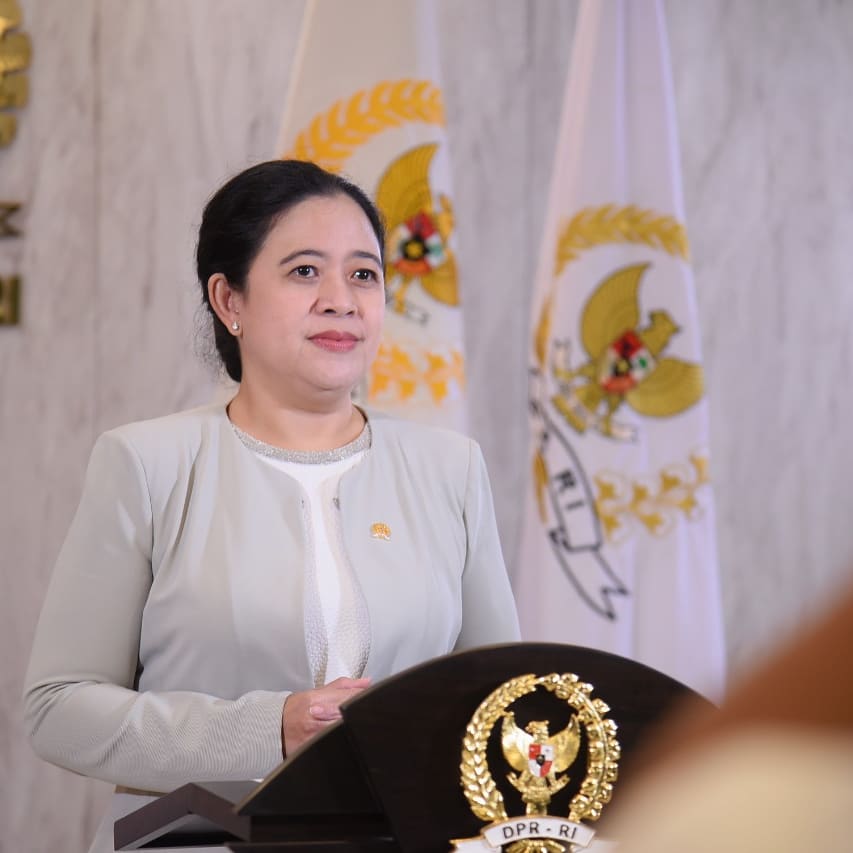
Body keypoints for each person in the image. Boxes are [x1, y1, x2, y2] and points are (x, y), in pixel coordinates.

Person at [23, 160, 520, 852]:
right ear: (229, 299)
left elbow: (503, 698)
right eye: (305, 271)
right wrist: (270, 728)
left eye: (364, 274)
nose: (341, 300)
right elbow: (59, 709)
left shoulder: (449, 468)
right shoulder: (148, 463)